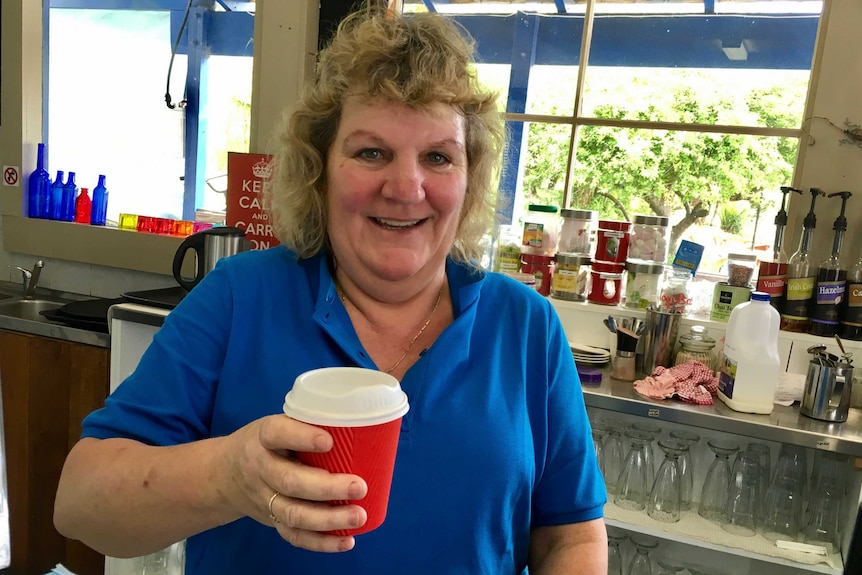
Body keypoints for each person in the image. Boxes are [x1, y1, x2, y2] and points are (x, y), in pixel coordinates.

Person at [53, 5, 607, 573]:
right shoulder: (240, 298)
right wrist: (228, 478)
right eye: (372, 152)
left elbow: (572, 537)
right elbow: (80, 505)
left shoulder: (526, 327)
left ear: (469, 184)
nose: (405, 187)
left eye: (438, 157)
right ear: (319, 172)